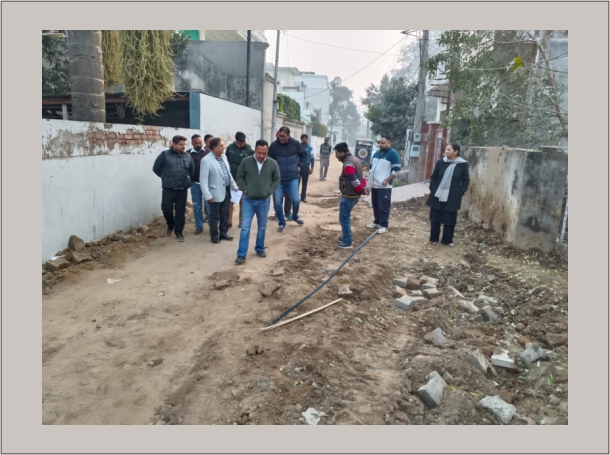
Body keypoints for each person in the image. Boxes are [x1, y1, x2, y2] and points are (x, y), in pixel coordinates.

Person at [234, 140, 281, 264]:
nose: (261, 156)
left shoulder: (272, 163)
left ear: (267, 152)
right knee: (245, 227)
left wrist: (269, 191)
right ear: (255, 150)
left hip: (263, 201)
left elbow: (277, 179)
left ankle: (260, 248)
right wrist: (246, 189)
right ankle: (241, 254)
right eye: (259, 153)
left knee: (262, 227)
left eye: (264, 153)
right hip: (248, 200)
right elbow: (239, 176)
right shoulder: (246, 161)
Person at [426, 142, 470, 247]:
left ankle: (447, 240)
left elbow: (465, 180)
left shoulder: (462, 164)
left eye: (449, 150)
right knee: (435, 218)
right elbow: (434, 177)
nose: (446, 151)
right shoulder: (440, 162)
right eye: (446, 149)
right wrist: (433, 188)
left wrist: (461, 191)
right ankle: (434, 239)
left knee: (450, 219)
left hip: (452, 196)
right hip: (438, 195)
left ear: (456, 151)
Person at [152, 135, 195, 242]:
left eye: (184, 144)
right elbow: (156, 168)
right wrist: (166, 177)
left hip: (182, 189)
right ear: (174, 144)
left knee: (180, 211)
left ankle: (179, 232)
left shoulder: (187, 156)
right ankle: (171, 224)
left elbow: (192, 170)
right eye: (180, 144)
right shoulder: (164, 155)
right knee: (166, 208)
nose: (183, 146)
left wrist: (185, 179)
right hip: (168, 188)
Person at [200, 137, 239, 244]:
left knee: (225, 214)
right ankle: (214, 236)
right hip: (214, 193)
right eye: (221, 146)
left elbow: (228, 174)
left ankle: (223, 233)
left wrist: (234, 187)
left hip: (226, 190)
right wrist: (207, 195)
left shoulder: (224, 157)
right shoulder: (206, 160)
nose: (223, 147)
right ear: (214, 147)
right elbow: (203, 181)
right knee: (215, 216)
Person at [268, 126, 307, 232]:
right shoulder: (274, 146)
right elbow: (269, 159)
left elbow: (304, 154)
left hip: (292, 177)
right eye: (279, 136)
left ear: (288, 135)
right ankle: (281, 222)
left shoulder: (295, 144)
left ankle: (295, 215)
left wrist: (300, 165)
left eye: (283, 136)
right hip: (278, 179)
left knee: (296, 200)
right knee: (277, 202)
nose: (280, 138)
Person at [334, 142, 367, 249]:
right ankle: (346, 236)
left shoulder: (348, 163)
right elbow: (362, 176)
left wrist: (362, 190)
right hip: (353, 194)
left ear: (342, 153)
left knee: (344, 218)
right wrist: (363, 188)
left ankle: (347, 241)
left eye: (337, 153)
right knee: (345, 217)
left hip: (350, 195)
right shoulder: (355, 159)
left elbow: (354, 180)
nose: (336, 155)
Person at [366, 135, 401, 234]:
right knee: (376, 204)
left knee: (384, 206)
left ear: (389, 143)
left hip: (384, 186)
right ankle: (377, 221)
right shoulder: (377, 153)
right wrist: (369, 179)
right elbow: (371, 167)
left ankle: (384, 225)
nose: (380, 144)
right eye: (380, 142)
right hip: (374, 185)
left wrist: (387, 180)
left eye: (383, 143)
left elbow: (397, 169)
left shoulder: (393, 154)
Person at [225, 132, 254, 229]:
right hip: (231, 179)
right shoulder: (230, 148)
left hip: (243, 180)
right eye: (238, 143)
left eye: (241, 143)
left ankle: (241, 221)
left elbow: (251, 166)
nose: (239, 145)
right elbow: (226, 162)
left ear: (244, 141)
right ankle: (228, 221)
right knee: (230, 201)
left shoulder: (249, 150)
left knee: (243, 201)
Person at [284, 133, 314, 216]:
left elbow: (312, 158)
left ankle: (303, 197)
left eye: (306, 138)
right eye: (303, 138)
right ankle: (295, 197)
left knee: (304, 183)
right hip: (297, 167)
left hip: (306, 167)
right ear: (301, 139)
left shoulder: (310, 148)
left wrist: (312, 167)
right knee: (296, 183)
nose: (304, 139)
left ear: (307, 139)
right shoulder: (297, 146)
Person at [188, 134, 208, 235]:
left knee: (209, 205)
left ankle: (212, 226)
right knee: (197, 206)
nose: (198, 144)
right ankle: (199, 227)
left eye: (200, 142)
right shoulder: (188, 154)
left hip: (207, 184)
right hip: (195, 184)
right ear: (192, 143)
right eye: (196, 143)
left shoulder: (208, 152)